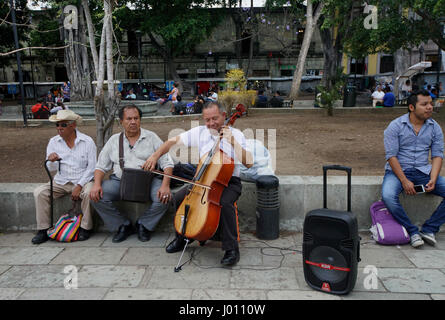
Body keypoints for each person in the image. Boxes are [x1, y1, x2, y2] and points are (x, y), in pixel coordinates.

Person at [142, 101, 253, 266]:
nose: (210, 123)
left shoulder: (236, 135)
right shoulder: (200, 132)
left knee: (225, 203)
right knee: (179, 197)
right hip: (203, 181)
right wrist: (154, 156)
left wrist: (233, 143)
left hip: (228, 182)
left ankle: (231, 249)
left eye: (214, 118)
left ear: (224, 115)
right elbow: (172, 141)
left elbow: (249, 163)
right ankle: (182, 237)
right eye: (207, 120)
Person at [90, 105, 174, 243]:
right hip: (120, 181)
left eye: (136, 118)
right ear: (121, 121)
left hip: (149, 181)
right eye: (129, 119)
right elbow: (100, 166)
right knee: (95, 196)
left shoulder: (152, 137)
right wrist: (96, 184)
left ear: (140, 120)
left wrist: (165, 185)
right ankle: (122, 225)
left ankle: (144, 225)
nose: (133, 122)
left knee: (164, 197)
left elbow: (168, 163)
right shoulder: (114, 140)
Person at [382, 89, 445, 248]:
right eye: (424, 104)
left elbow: (437, 155)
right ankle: (412, 232)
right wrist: (404, 181)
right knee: (388, 196)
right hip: (397, 173)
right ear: (411, 107)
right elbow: (391, 156)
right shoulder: (395, 126)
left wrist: (433, 178)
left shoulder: (434, 127)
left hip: (423, 172)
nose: (430, 107)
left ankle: (429, 229)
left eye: (430, 103)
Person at [32, 110, 96, 244]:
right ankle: (43, 229)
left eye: (63, 125)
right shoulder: (54, 142)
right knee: (40, 193)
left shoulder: (87, 141)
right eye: (57, 125)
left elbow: (92, 168)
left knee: (89, 192)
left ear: (73, 126)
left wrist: (79, 186)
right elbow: (50, 169)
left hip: (82, 181)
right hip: (61, 181)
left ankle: (85, 227)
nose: (59, 128)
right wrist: (51, 161)